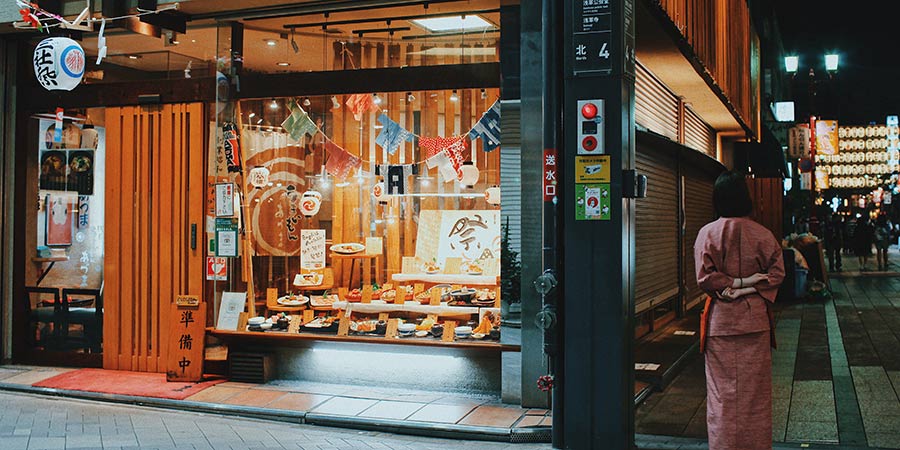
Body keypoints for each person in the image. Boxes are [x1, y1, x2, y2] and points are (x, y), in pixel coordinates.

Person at [694, 171, 785, 450]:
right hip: (754, 323)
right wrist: (750, 285)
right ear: (745, 198)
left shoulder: (707, 234)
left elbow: (705, 279)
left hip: (720, 323)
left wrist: (733, 284)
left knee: (721, 396)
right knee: (754, 396)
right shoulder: (763, 234)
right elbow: (777, 274)